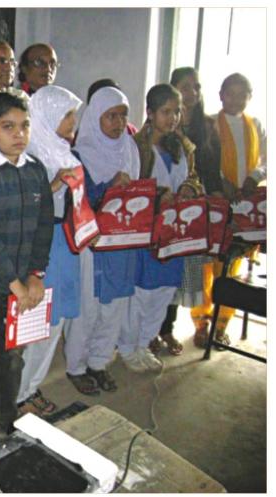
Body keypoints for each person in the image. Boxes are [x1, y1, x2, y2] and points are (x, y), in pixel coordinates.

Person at [0, 93, 54, 442]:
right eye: (8, 127)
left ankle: (4, 420)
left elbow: (44, 227)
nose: (18, 134)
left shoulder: (35, 170)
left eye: (24, 126)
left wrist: (35, 275)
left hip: (22, 283)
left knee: (13, 355)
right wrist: (15, 283)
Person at [119, 84, 202, 372]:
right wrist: (157, 195)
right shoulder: (136, 147)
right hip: (147, 233)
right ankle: (128, 347)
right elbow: (128, 189)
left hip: (176, 233)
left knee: (164, 292)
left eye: (177, 112)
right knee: (141, 293)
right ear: (150, 113)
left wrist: (189, 189)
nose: (173, 118)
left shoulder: (182, 146)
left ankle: (144, 343)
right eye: (166, 111)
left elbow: (194, 178)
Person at [64, 86, 140, 393]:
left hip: (123, 240)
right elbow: (79, 202)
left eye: (123, 115)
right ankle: (76, 366)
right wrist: (110, 186)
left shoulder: (130, 148)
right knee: (89, 306)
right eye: (111, 116)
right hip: (93, 243)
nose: (118, 123)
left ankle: (99, 361)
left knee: (115, 305)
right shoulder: (80, 154)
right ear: (95, 117)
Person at [17, 85, 83, 410]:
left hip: (64, 242)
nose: (73, 122)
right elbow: (25, 206)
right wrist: (55, 183)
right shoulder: (28, 156)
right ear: (49, 115)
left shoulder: (63, 152)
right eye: (68, 114)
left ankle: (32, 387)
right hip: (42, 244)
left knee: (55, 322)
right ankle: (18, 395)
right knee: (37, 320)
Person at [190, 73, 267, 347]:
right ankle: (201, 323)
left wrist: (254, 177)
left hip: (244, 205)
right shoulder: (209, 124)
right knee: (205, 265)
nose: (235, 99)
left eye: (241, 94)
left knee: (231, 266)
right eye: (230, 93)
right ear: (220, 95)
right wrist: (222, 182)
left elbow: (266, 159)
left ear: (250, 97)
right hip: (215, 201)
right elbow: (205, 161)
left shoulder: (256, 125)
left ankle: (221, 323)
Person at [156, 67, 222, 353]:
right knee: (162, 268)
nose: (192, 93)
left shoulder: (207, 126)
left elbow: (210, 171)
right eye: (185, 87)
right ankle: (154, 330)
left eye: (196, 87)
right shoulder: (160, 129)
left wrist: (208, 198)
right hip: (166, 208)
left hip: (194, 207)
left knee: (182, 272)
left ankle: (169, 328)